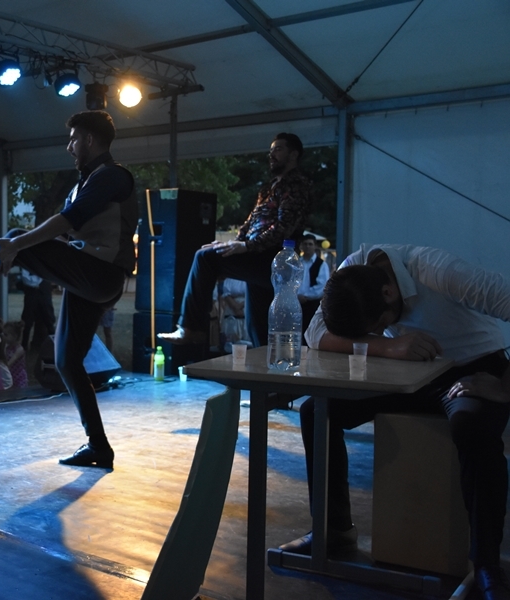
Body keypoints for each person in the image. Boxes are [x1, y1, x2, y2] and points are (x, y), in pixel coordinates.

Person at [280, 244, 510, 600]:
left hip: (472, 366)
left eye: (380, 325)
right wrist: (388, 346)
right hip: (409, 368)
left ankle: (486, 564)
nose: (382, 329)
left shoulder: (439, 271)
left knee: (472, 426)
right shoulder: (353, 270)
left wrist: (506, 386)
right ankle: (333, 530)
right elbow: (315, 333)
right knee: (317, 410)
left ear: (389, 292)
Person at [0, 110, 137, 469]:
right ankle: (98, 446)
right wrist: (22, 251)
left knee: (16, 237)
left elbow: (71, 219)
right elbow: (65, 232)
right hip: (88, 277)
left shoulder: (113, 176)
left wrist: (18, 245)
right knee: (66, 361)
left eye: (73, 139)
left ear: (89, 140)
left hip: (101, 274)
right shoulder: (83, 184)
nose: (69, 147)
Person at [158, 133, 311, 348]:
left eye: (278, 149)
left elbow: (284, 228)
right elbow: (250, 223)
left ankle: (190, 328)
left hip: (275, 257)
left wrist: (245, 246)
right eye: (271, 150)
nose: (272, 155)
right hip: (258, 254)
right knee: (257, 326)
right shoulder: (269, 187)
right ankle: (263, 364)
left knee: (205, 258)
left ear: (293, 155)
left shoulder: (297, 185)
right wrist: (232, 244)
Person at [296, 234, 329, 338]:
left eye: (310, 244)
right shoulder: (296, 263)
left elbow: (322, 286)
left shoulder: (321, 264)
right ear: (301, 246)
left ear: (315, 246)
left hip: (312, 304)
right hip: (296, 303)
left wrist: (305, 295)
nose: (307, 247)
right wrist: (296, 295)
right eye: (305, 244)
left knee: (310, 333)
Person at [2, 320, 28, 389]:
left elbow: (10, 362)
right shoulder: (6, 347)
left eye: (6, 335)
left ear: (15, 336)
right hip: (10, 377)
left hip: (19, 378)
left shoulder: (19, 350)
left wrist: (1, 369)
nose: (3, 336)